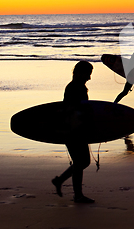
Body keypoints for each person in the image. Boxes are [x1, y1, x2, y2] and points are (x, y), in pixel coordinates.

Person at [51, 61, 95, 204]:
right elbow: (75, 110)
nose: (89, 78)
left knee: (81, 162)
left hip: (73, 128)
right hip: (73, 130)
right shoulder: (76, 88)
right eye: (88, 74)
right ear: (79, 73)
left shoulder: (75, 87)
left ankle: (61, 182)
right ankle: (77, 195)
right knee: (81, 162)